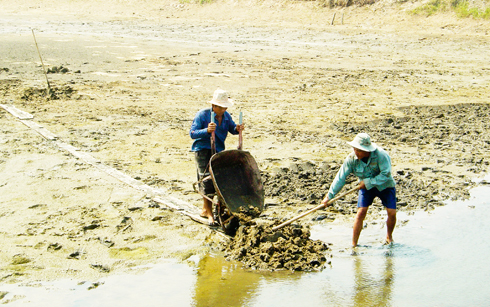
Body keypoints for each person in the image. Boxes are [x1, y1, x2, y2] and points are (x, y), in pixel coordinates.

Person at [321, 133, 396, 247]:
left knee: (391, 213)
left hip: (385, 185)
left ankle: (389, 237)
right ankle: (354, 244)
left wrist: (368, 182)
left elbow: (386, 174)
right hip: (366, 188)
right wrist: (329, 196)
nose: (356, 152)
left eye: (359, 150)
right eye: (355, 149)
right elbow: (340, 178)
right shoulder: (351, 159)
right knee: (361, 212)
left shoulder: (381, 155)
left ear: (367, 150)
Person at [190, 88, 244, 225]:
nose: (224, 109)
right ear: (214, 106)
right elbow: (193, 133)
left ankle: (209, 209)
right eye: (221, 107)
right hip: (203, 150)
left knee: (218, 181)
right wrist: (206, 130)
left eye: (225, 107)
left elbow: (232, 129)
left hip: (218, 149)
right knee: (206, 181)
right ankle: (208, 213)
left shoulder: (226, 116)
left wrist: (237, 129)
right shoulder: (202, 115)